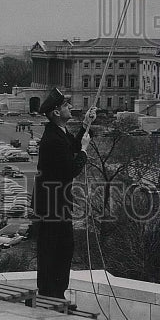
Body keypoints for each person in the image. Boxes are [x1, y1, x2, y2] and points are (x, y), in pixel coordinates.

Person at [32, 88, 95, 301]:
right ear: (57, 112)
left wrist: (86, 124)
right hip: (51, 205)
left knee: (62, 249)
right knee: (54, 250)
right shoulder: (53, 139)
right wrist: (85, 151)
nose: (70, 107)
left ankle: (56, 294)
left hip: (56, 203)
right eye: (66, 105)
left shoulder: (59, 132)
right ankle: (51, 295)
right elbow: (70, 169)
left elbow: (73, 145)